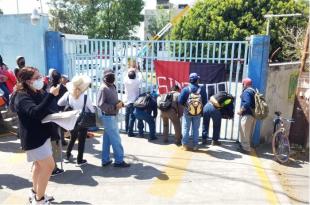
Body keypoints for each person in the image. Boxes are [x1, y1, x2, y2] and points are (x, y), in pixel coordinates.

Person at [13, 67, 59, 205]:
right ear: (28, 81)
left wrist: (61, 116)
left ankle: (35, 192)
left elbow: (44, 108)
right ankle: (39, 200)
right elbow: (36, 112)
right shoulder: (21, 96)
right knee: (49, 166)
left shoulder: (36, 91)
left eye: (40, 76)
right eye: (37, 77)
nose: (41, 79)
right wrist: (51, 95)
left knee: (39, 166)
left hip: (42, 136)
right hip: (34, 138)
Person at [58, 75, 95, 166]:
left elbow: (59, 103)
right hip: (82, 120)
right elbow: (92, 110)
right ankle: (79, 160)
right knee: (81, 140)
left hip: (71, 120)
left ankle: (67, 155)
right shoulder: (85, 96)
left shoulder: (68, 94)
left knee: (73, 137)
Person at [97, 69, 130, 168]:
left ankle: (105, 160)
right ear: (104, 77)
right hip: (108, 117)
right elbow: (101, 104)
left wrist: (120, 103)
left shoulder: (112, 86)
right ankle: (119, 161)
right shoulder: (103, 88)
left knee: (107, 140)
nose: (111, 78)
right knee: (116, 139)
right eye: (109, 76)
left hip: (112, 116)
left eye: (112, 76)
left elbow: (113, 100)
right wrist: (115, 107)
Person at [178, 73, 207, 151]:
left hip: (187, 112)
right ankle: (195, 146)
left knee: (186, 128)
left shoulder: (185, 89)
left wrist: (186, 106)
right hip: (198, 113)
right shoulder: (202, 89)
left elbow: (180, 101)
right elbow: (205, 101)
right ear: (197, 80)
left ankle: (184, 145)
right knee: (195, 129)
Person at [237, 78, 256, 153]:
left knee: (244, 132)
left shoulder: (247, 92)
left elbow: (247, 103)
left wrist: (241, 111)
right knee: (248, 132)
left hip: (247, 115)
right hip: (252, 115)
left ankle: (245, 149)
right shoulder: (253, 91)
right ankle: (246, 147)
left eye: (243, 84)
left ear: (245, 84)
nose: (242, 85)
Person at [124, 68, 143, 137]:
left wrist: (129, 69)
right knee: (132, 118)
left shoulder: (126, 81)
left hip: (127, 102)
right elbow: (141, 77)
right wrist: (138, 71)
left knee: (127, 117)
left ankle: (127, 130)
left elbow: (126, 75)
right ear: (135, 76)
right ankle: (130, 132)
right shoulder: (136, 82)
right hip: (134, 102)